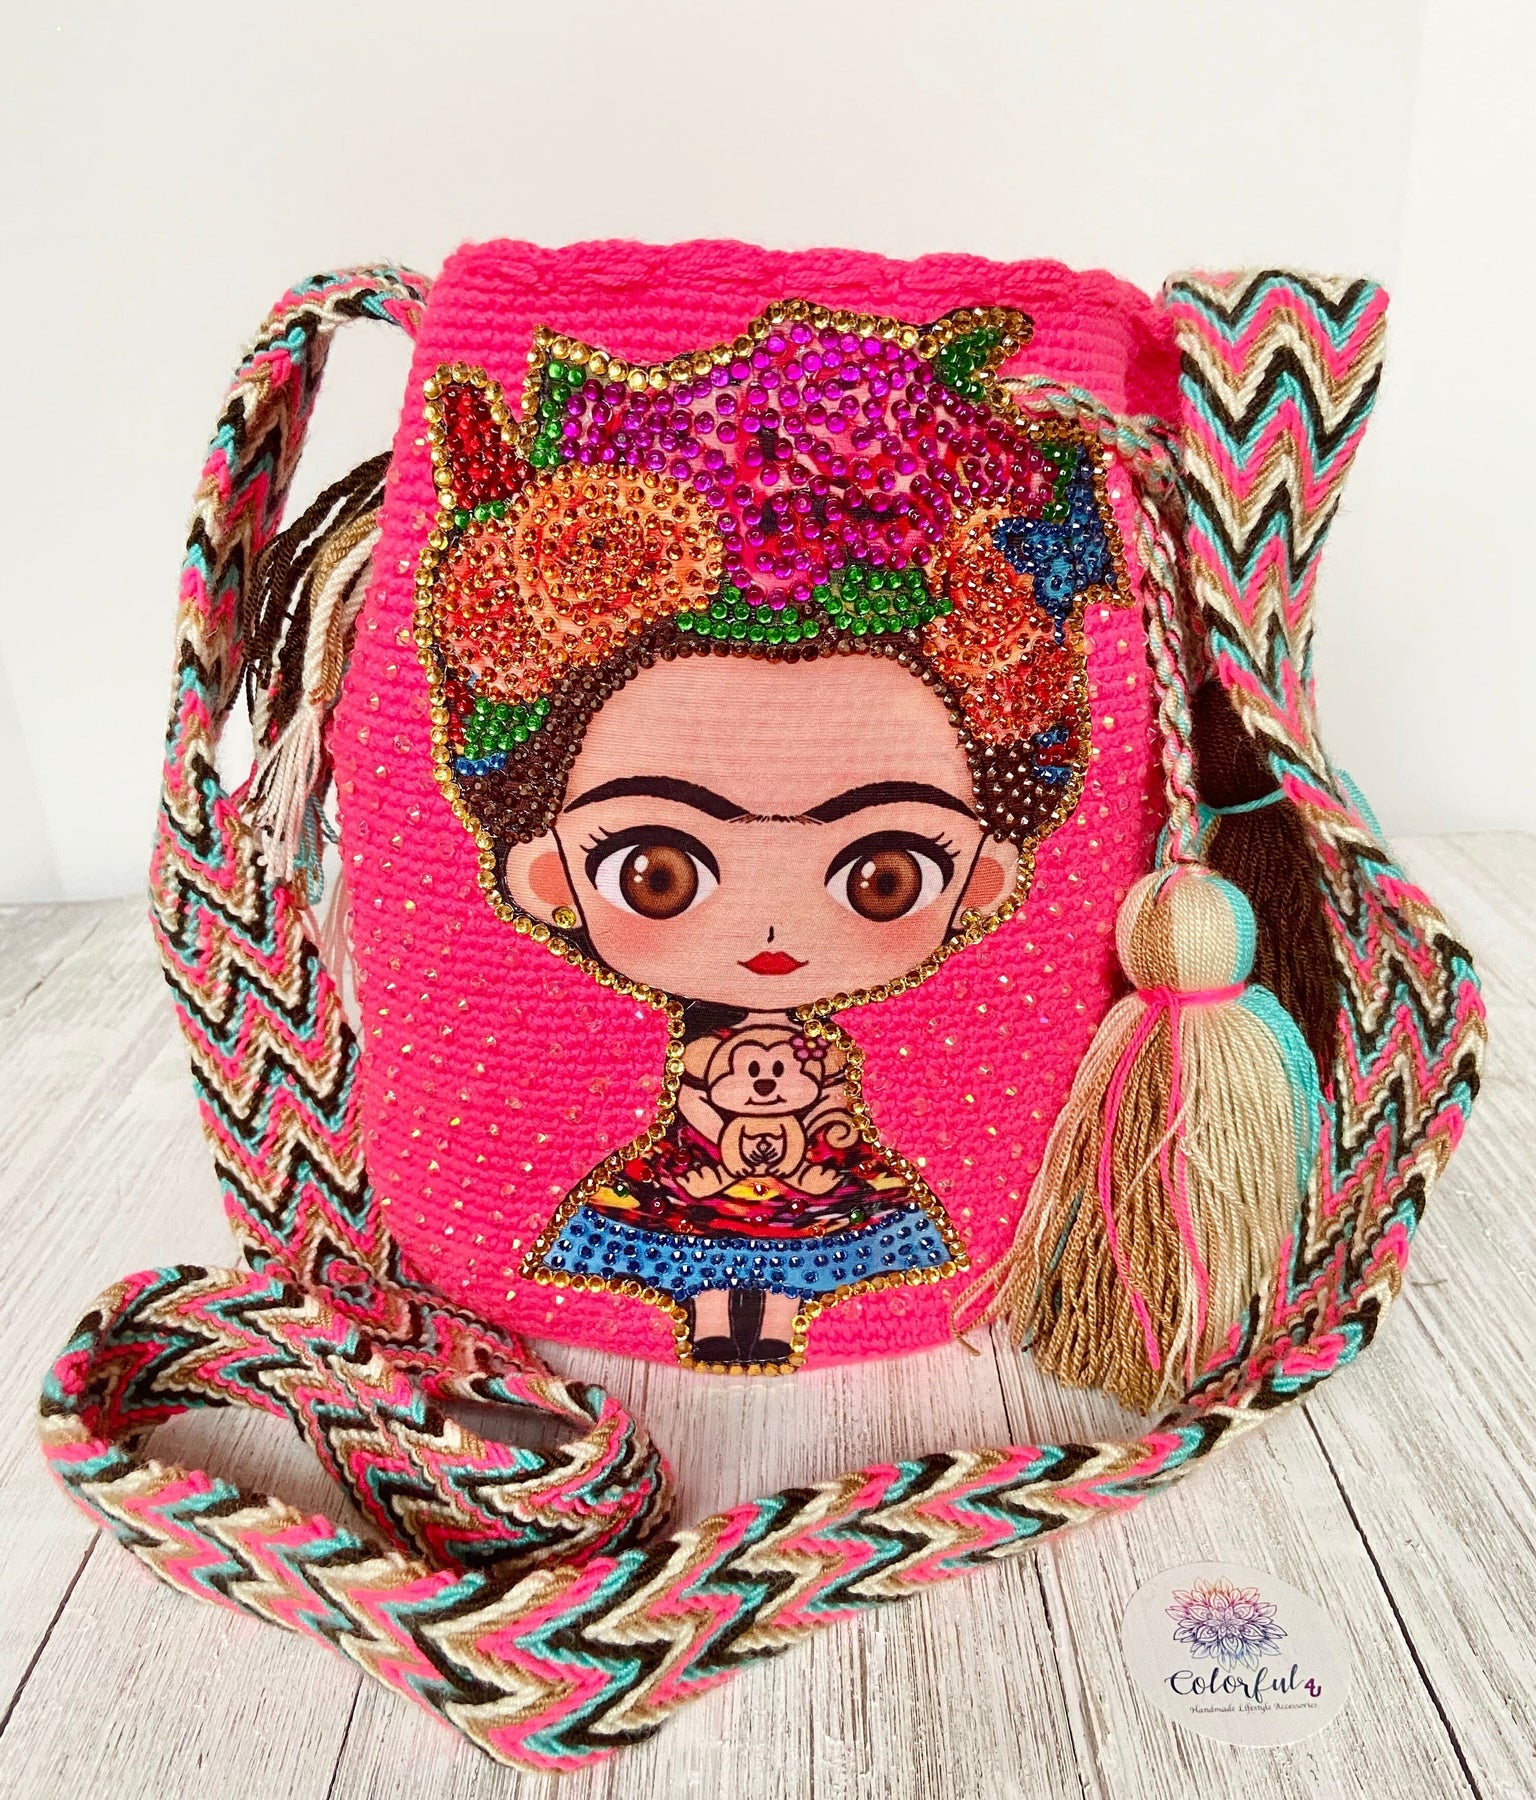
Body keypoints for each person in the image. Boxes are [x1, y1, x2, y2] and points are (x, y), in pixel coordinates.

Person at [421, 300, 1131, 1368]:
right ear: (545, 875)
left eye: (883, 875)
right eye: (658, 871)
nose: (767, 933)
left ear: (985, 877)